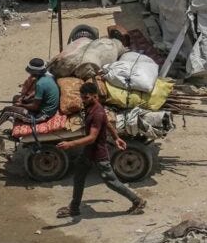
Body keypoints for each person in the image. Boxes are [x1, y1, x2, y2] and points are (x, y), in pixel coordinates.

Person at [55, 82, 147, 217]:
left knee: (112, 182)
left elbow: (92, 137)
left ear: (95, 96)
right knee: (79, 177)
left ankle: (137, 201)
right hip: (88, 152)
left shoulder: (97, 112)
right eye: (82, 97)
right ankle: (74, 208)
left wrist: (71, 144)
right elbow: (107, 122)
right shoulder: (92, 107)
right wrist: (116, 137)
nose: (83, 100)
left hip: (98, 154)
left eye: (86, 97)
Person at [0, 58, 60, 133]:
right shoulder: (47, 77)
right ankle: (17, 115)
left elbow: (35, 107)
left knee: (7, 110)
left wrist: (22, 105)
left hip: (42, 116)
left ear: (34, 72)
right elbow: (38, 93)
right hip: (46, 108)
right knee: (16, 97)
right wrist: (27, 97)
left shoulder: (40, 84)